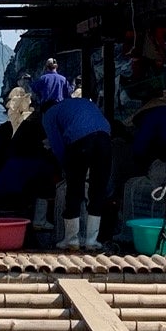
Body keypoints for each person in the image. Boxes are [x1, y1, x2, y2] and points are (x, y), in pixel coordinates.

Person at [42, 92, 112, 250]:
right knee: (98, 189)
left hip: (81, 140)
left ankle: (72, 239)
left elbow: (57, 146)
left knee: (74, 189)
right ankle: (91, 241)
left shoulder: (48, 115)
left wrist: (65, 168)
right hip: (105, 138)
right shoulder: (78, 103)